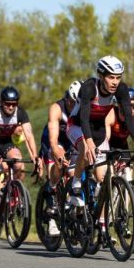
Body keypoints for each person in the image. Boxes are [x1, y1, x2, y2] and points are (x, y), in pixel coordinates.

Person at [66, 56, 134, 222]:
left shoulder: (121, 90)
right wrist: (87, 141)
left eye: (118, 77)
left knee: (103, 177)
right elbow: (83, 117)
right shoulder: (89, 87)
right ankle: (75, 184)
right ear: (101, 76)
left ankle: (96, 208)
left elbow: (129, 118)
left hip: (99, 130)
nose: (115, 82)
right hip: (77, 125)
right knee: (84, 149)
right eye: (111, 77)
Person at [0, 86, 41, 237]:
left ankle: (11, 191)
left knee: (18, 162)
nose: (11, 107)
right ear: (1, 102)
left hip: (5, 143)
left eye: (14, 104)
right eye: (8, 104)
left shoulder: (21, 113)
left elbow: (29, 135)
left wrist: (35, 156)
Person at [40, 81, 80, 236]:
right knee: (58, 163)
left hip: (71, 139)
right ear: (66, 98)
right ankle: (52, 193)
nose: (73, 105)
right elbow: (53, 139)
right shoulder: (57, 108)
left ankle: (71, 209)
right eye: (71, 101)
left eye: (76, 103)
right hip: (54, 139)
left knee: (73, 173)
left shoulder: (82, 109)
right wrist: (57, 152)